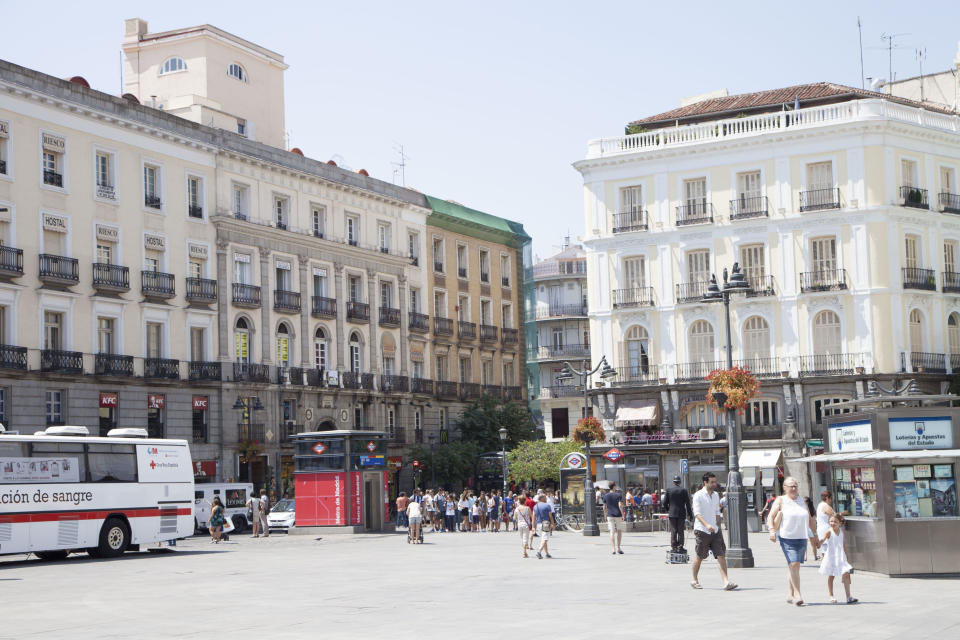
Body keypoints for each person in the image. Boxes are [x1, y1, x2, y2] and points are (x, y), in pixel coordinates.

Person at [768, 477, 816, 606]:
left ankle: (790, 592)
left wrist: (815, 535)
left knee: (794, 566)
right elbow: (770, 517)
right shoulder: (781, 500)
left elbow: (810, 519)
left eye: (795, 486)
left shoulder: (802, 500)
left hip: (802, 537)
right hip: (787, 537)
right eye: (791, 486)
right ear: (785, 487)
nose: (794, 488)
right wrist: (772, 531)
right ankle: (798, 595)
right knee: (794, 564)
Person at [691, 472, 738, 591]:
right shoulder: (698, 495)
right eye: (711, 482)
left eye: (715, 482)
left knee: (721, 555)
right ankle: (694, 580)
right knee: (700, 556)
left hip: (715, 531)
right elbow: (697, 514)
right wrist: (706, 525)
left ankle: (726, 582)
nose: (714, 484)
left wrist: (718, 525)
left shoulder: (716, 495)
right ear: (705, 483)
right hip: (702, 530)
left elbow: (717, 511)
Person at [818, 514, 858, 604]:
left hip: (841, 556)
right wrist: (819, 543)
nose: (832, 523)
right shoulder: (829, 532)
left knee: (846, 574)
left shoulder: (841, 531)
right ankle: (831, 595)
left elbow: (843, 544)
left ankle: (848, 597)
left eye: (835, 522)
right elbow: (823, 539)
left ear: (840, 523)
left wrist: (846, 555)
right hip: (831, 557)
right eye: (831, 521)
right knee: (831, 576)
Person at [663, 475, 693, 553]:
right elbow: (688, 504)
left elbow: (664, 502)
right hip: (681, 513)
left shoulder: (669, 490)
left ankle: (674, 547)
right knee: (680, 530)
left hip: (672, 513)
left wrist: (668, 510)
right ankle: (680, 546)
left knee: (673, 530)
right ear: (680, 482)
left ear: (673, 482)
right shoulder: (683, 490)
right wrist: (690, 515)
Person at [602, 481, 626, 554]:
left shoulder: (606, 496)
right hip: (618, 515)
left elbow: (604, 507)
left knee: (612, 532)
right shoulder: (618, 495)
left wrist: (605, 516)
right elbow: (620, 505)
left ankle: (613, 549)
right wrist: (622, 514)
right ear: (614, 486)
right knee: (619, 531)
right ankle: (619, 548)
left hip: (610, 515)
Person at [533, 494, 555, 559]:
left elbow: (534, 517)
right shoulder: (547, 505)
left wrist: (533, 527)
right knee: (545, 539)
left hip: (538, 524)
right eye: (545, 498)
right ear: (542, 498)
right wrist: (553, 524)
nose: (546, 499)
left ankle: (547, 553)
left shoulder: (535, 506)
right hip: (546, 523)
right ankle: (539, 552)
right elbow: (550, 516)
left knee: (543, 539)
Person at [803, 496, 819, 562]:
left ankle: (805, 557)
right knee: (813, 544)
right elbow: (815, 517)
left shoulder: (805, 509)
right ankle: (815, 556)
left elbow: (809, 518)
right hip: (812, 528)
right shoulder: (813, 509)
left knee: (805, 543)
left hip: (806, 528)